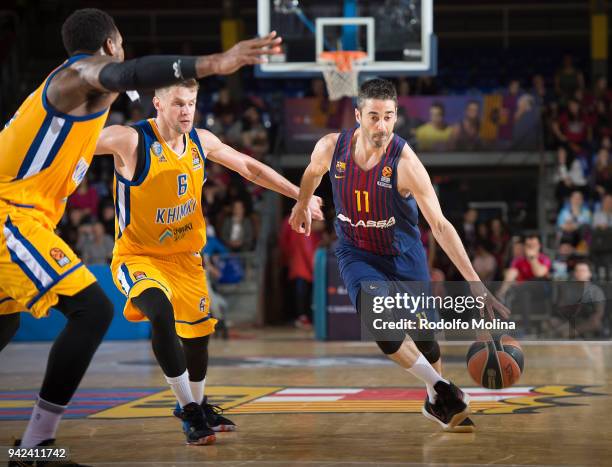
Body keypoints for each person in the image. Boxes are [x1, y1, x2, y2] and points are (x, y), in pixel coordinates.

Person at [0, 6, 282, 455]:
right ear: (111, 44)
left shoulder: (87, 101)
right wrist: (215, 63)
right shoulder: (78, 75)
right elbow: (132, 72)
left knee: (5, 323)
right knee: (93, 311)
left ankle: (195, 405)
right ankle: (36, 444)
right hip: (11, 214)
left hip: (39, 216)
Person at [94, 78, 323, 445]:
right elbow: (76, 143)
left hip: (186, 258)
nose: (186, 111)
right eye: (178, 104)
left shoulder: (202, 140)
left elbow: (250, 168)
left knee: (199, 338)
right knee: (160, 311)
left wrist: (302, 196)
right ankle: (188, 410)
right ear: (157, 104)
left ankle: (199, 405)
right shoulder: (130, 140)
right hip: (138, 256)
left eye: (191, 103)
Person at [288, 79, 510, 432]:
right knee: (383, 325)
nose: (382, 126)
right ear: (359, 115)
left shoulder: (405, 163)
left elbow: (439, 224)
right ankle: (442, 390)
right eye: (374, 116)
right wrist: (301, 202)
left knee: (426, 341)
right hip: (357, 252)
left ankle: (437, 401)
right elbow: (311, 174)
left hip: (404, 257)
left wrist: (476, 283)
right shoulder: (331, 148)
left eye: (388, 117)